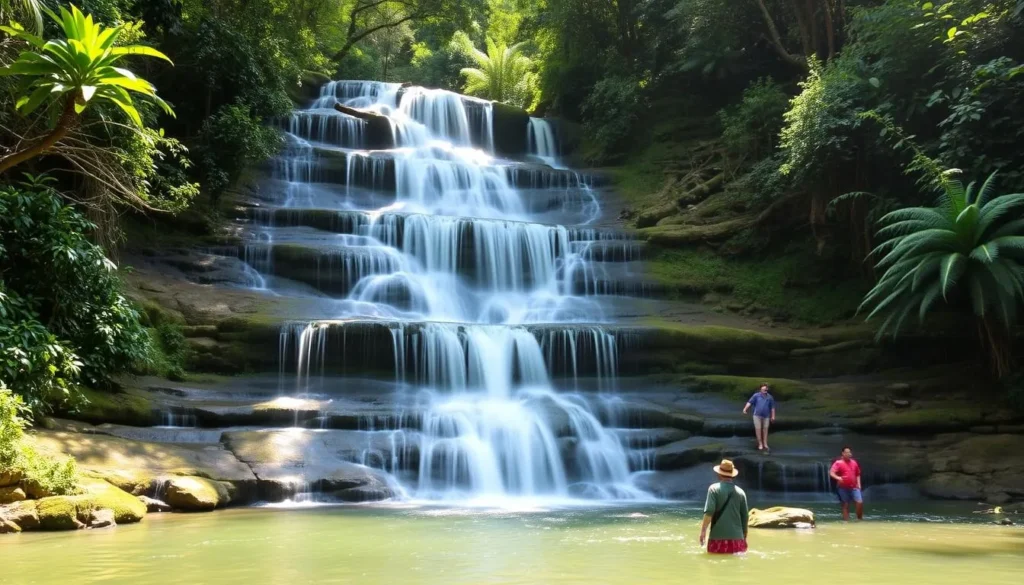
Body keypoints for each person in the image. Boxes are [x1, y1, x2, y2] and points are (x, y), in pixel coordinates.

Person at [699, 459, 749, 554]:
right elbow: (745, 516)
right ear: (732, 474)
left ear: (719, 474)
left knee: (715, 567)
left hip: (717, 538)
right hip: (737, 539)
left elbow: (709, 511)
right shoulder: (741, 492)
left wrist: (703, 532)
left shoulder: (713, 489)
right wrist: (744, 537)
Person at [830, 446, 863, 521]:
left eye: (850, 452)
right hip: (842, 487)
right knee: (845, 505)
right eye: (847, 452)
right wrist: (838, 478)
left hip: (854, 487)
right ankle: (846, 521)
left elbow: (858, 474)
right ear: (843, 453)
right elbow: (831, 473)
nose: (849, 454)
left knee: (859, 502)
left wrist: (859, 484)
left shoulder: (854, 462)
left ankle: (859, 519)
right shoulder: (838, 463)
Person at [742, 383, 776, 452]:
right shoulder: (756, 396)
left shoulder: (770, 397)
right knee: (758, 429)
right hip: (757, 415)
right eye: (763, 389)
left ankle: (765, 443)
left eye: (766, 389)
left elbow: (772, 408)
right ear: (760, 389)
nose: (765, 390)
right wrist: (745, 409)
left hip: (766, 416)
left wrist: (773, 416)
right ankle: (760, 444)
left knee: (765, 430)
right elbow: (750, 402)